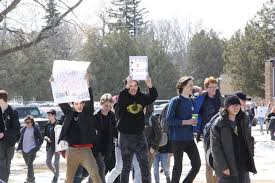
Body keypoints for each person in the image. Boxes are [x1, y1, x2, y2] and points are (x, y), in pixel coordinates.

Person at [55, 74, 102, 183]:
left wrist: (87, 84)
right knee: (69, 179)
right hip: (72, 151)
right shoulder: (70, 113)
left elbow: (90, 99)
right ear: (73, 104)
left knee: (95, 174)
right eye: (76, 104)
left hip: (86, 151)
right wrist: (55, 84)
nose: (79, 106)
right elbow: (61, 100)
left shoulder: (88, 112)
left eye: (81, 103)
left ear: (84, 103)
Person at [116, 75, 158, 183]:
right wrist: (126, 87)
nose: (133, 88)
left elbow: (153, 96)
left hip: (139, 135)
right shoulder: (123, 96)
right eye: (130, 85)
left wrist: (150, 85)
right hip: (125, 136)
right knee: (126, 166)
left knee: (145, 164)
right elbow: (121, 101)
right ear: (127, 86)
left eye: (135, 85)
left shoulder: (141, 96)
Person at [210, 95, 257, 183]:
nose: (236, 107)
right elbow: (216, 148)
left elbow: (249, 139)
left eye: (238, 105)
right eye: (233, 105)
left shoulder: (243, 120)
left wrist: (251, 154)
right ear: (227, 107)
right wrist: (223, 166)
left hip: (243, 163)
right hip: (228, 166)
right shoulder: (219, 124)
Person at [166, 76, 201, 183]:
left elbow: (193, 117)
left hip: (189, 138)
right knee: (178, 167)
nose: (192, 87)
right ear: (183, 86)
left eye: (192, 85)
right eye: (190, 85)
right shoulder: (175, 101)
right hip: (177, 139)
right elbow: (169, 120)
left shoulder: (192, 101)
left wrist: (193, 122)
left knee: (197, 165)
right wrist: (187, 122)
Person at [194, 76, 224, 183]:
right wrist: (195, 129)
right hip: (207, 134)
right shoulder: (202, 99)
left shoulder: (221, 99)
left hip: (221, 134)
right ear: (206, 88)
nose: (213, 89)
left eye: (215, 87)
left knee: (221, 162)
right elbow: (195, 112)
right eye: (211, 87)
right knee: (209, 163)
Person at [88, 93, 117, 183]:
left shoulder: (112, 116)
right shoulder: (95, 116)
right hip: (96, 149)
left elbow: (115, 131)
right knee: (100, 169)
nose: (107, 108)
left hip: (108, 148)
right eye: (105, 105)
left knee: (96, 172)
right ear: (101, 104)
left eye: (109, 106)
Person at [132, 104, 161, 183]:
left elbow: (159, 134)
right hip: (138, 150)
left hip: (149, 150)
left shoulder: (153, 118)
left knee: (146, 171)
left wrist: (154, 147)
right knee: (137, 171)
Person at [0, 90, 20, 183]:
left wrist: (4, 133)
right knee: (1, 163)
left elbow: (16, 129)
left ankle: (4, 180)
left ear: (2, 99)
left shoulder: (13, 112)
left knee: (7, 164)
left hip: (10, 143)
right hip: (0, 143)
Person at [17, 115, 43, 183]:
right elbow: (20, 139)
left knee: (29, 164)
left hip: (32, 149)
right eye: (25, 122)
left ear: (32, 122)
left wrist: (37, 147)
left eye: (28, 122)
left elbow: (41, 139)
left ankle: (29, 180)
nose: (27, 124)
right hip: (24, 149)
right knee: (28, 165)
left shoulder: (35, 129)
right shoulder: (23, 129)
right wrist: (19, 147)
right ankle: (32, 178)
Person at [44, 109, 60, 183]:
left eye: (50, 115)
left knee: (56, 163)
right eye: (48, 115)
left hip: (57, 146)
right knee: (48, 162)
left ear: (54, 115)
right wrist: (47, 138)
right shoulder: (47, 125)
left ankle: (56, 178)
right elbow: (44, 135)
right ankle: (56, 174)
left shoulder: (58, 124)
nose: (48, 116)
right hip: (50, 145)